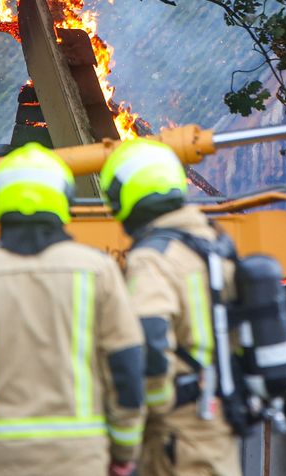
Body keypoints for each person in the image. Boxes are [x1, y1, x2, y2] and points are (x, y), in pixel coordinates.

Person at [0, 142, 145, 476]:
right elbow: (126, 368)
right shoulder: (98, 271)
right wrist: (123, 451)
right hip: (81, 461)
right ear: (65, 200)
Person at [100, 138, 243, 476]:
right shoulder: (213, 246)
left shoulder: (153, 258)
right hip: (218, 420)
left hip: (177, 435)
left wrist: (148, 411)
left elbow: (148, 342)